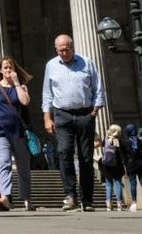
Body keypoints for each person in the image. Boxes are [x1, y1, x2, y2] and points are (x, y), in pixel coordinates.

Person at [42, 34, 106, 212]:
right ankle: (70, 195)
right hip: (62, 114)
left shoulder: (87, 62)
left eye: (66, 49)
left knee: (86, 157)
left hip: (85, 113)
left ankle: (87, 199)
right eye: (60, 50)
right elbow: (47, 94)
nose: (63, 53)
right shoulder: (51, 65)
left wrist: (93, 112)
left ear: (72, 47)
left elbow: (98, 89)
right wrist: (47, 117)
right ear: (56, 50)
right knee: (64, 153)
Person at [0, 56, 34, 211]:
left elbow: (25, 102)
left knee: (23, 166)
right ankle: (5, 197)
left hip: (18, 131)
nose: (8, 70)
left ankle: (27, 198)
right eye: (5, 67)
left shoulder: (21, 87)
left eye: (10, 67)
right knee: (3, 163)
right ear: (0, 70)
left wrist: (16, 82)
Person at [101, 124, 127, 211]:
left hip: (106, 164)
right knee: (118, 183)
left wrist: (107, 134)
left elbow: (103, 148)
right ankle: (119, 203)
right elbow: (122, 154)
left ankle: (108, 203)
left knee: (108, 184)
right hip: (117, 164)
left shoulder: (106, 139)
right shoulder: (118, 141)